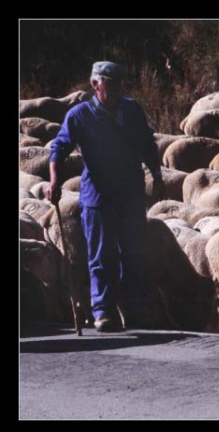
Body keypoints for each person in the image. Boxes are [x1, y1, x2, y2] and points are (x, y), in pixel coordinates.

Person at [46, 61, 165, 332]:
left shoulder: (131, 109)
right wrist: (54, 180)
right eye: (110, 83)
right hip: (98, 195)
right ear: (95, 84)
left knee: (133, 253)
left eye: (119, 84)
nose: (116, 89)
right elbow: (59, 149)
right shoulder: (80, 115)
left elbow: (148, 144)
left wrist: (156, 176)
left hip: (131, 192)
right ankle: (104, 311)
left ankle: (134, 310)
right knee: (101, 255)